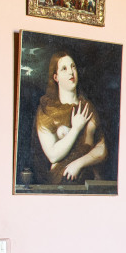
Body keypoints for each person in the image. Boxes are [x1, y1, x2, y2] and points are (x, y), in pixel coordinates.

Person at [33, 50, 108, 184]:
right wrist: (75, 129)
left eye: (73, 67)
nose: (71, 72)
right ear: (56, 77)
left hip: (89, 180)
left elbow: (102, 148)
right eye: (64, 69)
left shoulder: (87, 107)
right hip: (61, 181)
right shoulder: (47, 110)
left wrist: (78, 164)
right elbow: (53, 155)